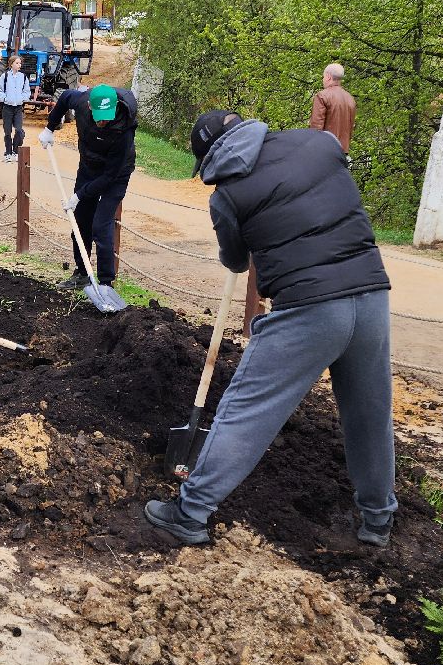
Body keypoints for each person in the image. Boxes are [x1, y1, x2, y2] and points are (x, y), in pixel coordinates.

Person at [144, 111, 396, 549]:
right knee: (370, 413)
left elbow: (237, 259)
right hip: (371, 296)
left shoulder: (227, 196)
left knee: (248, 409)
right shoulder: (319, 144)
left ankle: (190, 512)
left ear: (210, 159)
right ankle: (378, 520)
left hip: (308, 309)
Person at [38, 83, 137, 289]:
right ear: (90, 107)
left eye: (107, 115)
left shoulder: (125, 130)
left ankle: (106, 283)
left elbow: (109, 176)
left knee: (101, 226)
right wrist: (50, 127)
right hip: (89, 166)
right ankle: (82, 273)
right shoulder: (82, 102)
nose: (103, 121)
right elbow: (65, 97)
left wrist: (79, 195)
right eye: (99, 115)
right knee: (81, 221)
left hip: (116, 174)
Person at [309, 62, 355, 154]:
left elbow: (316, 128)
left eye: (323, 77)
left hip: (325, 150)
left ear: (328, 77)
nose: (323, 80)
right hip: (343, 151)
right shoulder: (350, 98)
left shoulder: (322, 96)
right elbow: (351, 127)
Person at [0, 54, 29, 161]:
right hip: (7, 108)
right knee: (7, 131)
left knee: (18, 130)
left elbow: (26, 92)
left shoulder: (23, 77)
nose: (19, 65)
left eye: (20, 63)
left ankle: (15, 151)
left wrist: (21, 98)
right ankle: (8, 152)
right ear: (11, 64)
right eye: (17, 63)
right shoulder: (5, 77)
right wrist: (5, 99)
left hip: (18, 108)